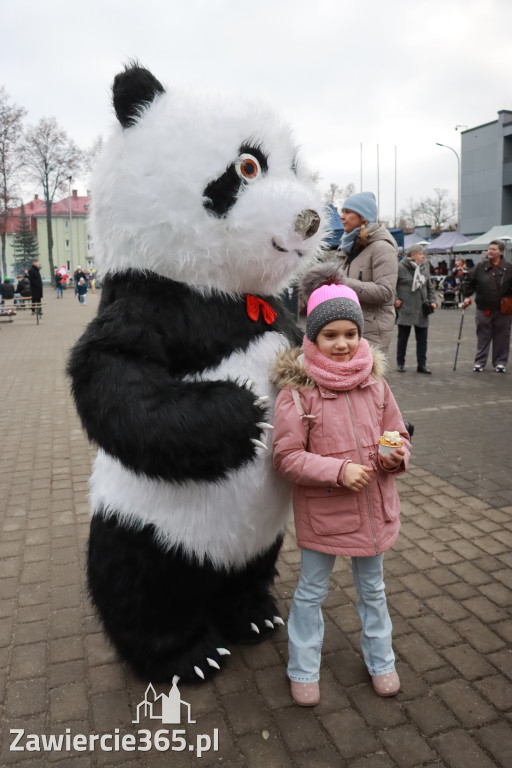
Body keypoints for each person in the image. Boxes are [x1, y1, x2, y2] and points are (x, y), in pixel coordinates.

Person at [272, 283, 410, 706]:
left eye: (350, 333)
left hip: (372, 510)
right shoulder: (297, 391)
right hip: (326, 513)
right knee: (312, 590)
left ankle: (381, 661)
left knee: (373, 590)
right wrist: (337, 469)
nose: (342, 344)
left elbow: (398, 433)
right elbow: (287, 457)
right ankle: (302, 667)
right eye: (330, 335)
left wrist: (394, 456)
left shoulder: (376, 383)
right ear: (311, 338)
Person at [303, 192, 399, 355]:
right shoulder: (349, 246)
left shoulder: (382, 247)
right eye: (343, 211)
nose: (342, 217)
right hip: (349, 328)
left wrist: (342, 284)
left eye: (348, 212)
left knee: (366, 378)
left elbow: (385, 292)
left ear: (363, 217)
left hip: (372, 332)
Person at [462, 240, 512, 373]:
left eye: (494, 249)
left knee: (502, 337)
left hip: (503, 309)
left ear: (501, 252)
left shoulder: (509, 268)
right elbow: (468, 282)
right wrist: (467, 296)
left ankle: (500, 362)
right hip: (484, 307)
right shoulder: (480, 267)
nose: (490, 251)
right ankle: (479, 362)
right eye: (489, 249)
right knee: (483, 335)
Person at [395, 245, 437, 374]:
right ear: (412, 255)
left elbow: (429, 287)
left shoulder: (424, 268)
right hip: (405, 308)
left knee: (422, 339)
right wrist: (395, 299)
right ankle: (400, 363)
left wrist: (433, 300)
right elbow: (392, 285)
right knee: (403, 338)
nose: (422, 256)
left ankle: (422, 365)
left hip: (421, 309)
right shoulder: (400, 267)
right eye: (420, 254)